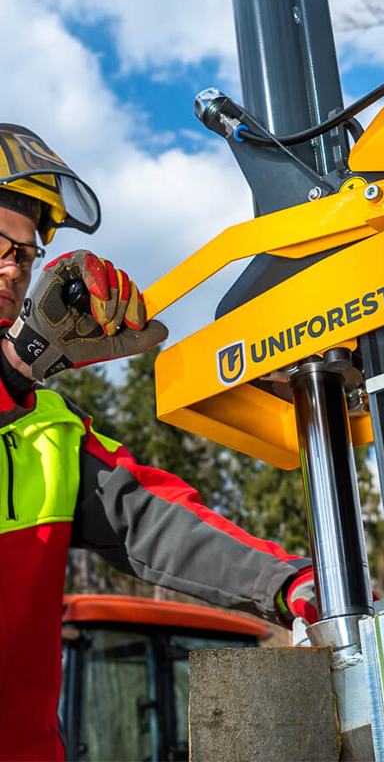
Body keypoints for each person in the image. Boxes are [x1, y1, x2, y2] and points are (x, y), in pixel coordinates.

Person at [0, 124, 318, 761]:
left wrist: (296, 584)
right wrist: (13, 366)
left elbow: (153, 522)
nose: (14, 268)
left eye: (26, 255)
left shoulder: (49, 431)